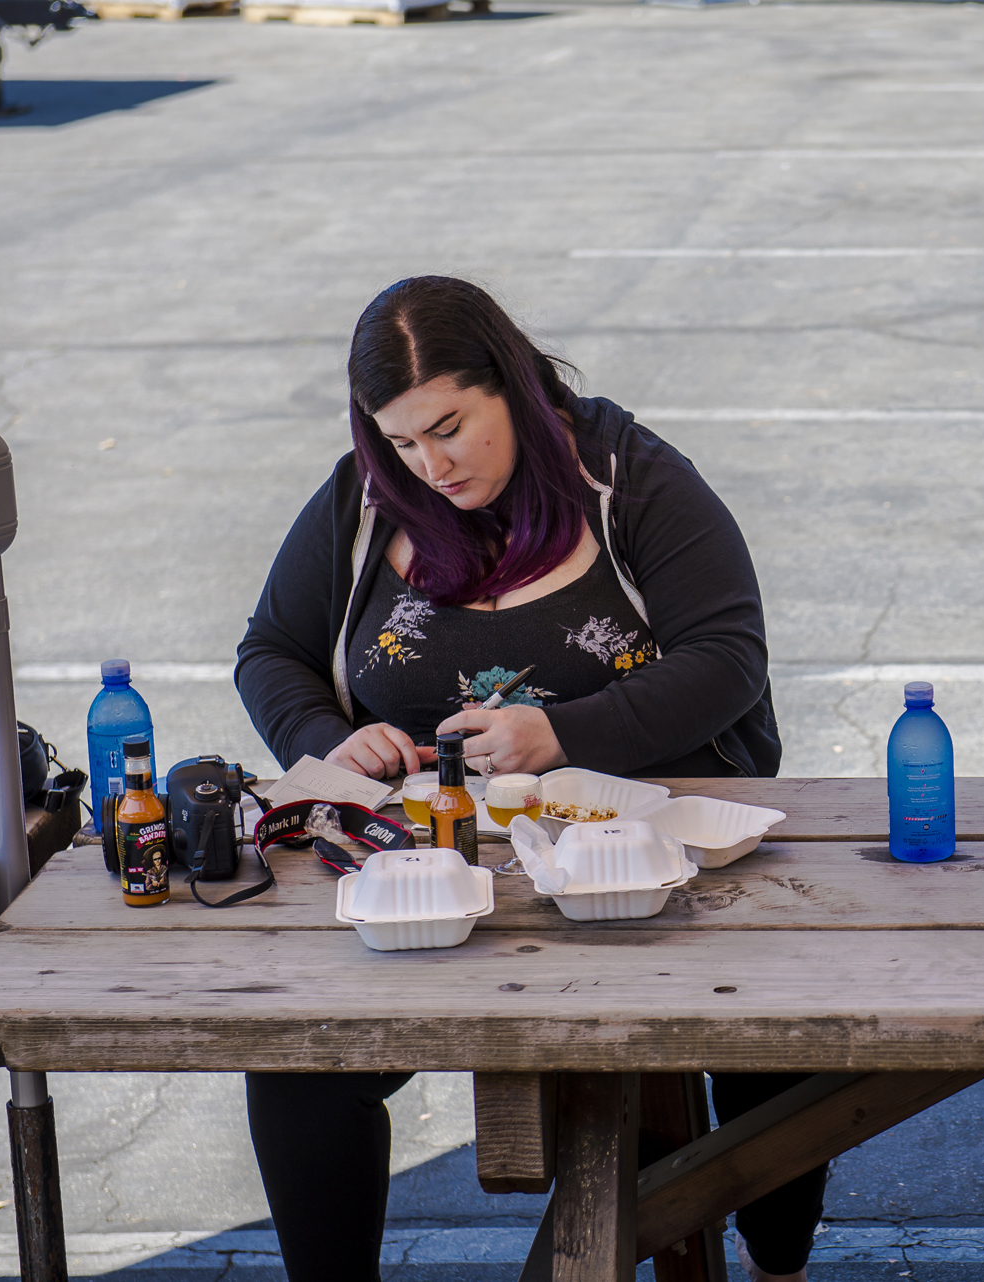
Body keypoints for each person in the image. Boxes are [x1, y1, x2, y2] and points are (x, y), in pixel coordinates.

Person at [235, 276, 820, 1282]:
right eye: (403, 441)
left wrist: (560, 734)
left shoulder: (628, 475)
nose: (432, 464)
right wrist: (335, 740)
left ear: (512, 383)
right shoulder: (367, 498)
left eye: (451, 428)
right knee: (300, 1056)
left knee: (765, 1027)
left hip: (652, 864)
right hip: (433, 861)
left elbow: (729, 658)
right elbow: (271, 650)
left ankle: (778, 1268)